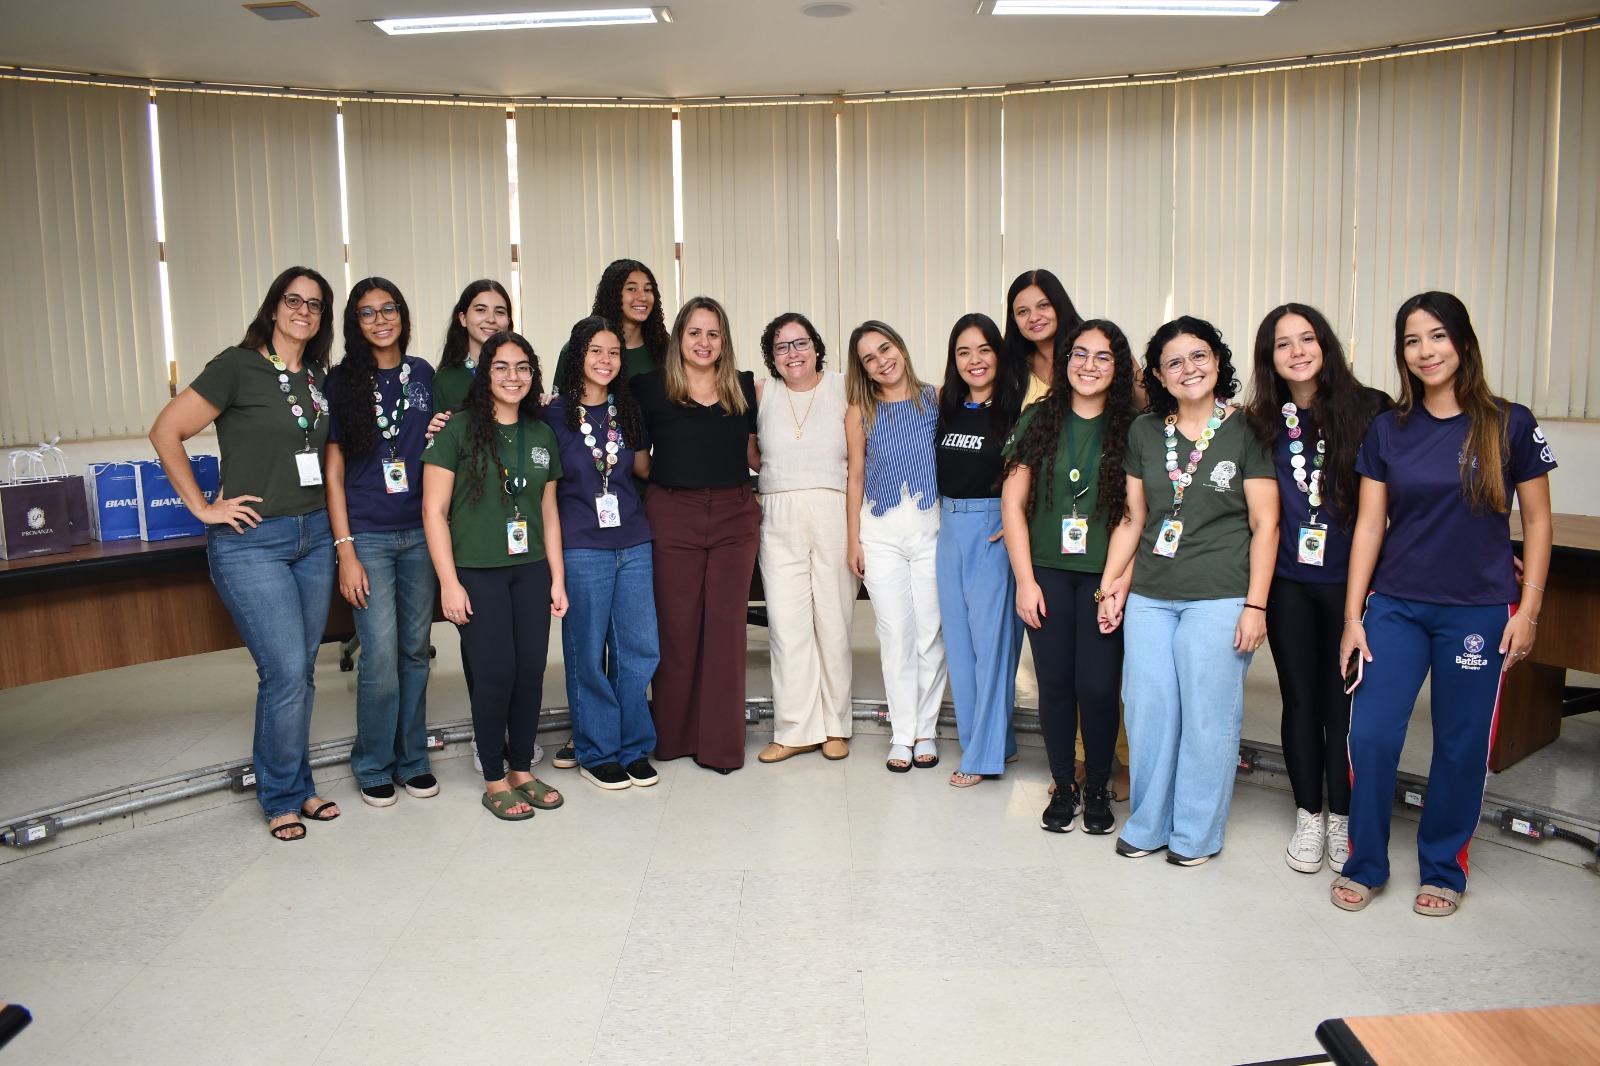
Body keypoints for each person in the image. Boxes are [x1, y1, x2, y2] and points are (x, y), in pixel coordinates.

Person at [1332, 291, 1554, 916]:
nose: (1425, 351)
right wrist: (1353, 618)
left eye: (1437, 336)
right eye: (1411, 340)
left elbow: (1538, 521)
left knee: (1461, 744)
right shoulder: (1388, 429)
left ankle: (1443, 868)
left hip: (1477, 612)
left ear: (1462, 342)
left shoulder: (1510, 423)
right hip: (1396, 607)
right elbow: (1370, 526)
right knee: (1371, 736)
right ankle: (1366, 863)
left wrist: (1529, 611)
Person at [148, 266, 342, 842]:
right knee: (283, 670)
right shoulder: (236, 366)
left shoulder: (316, 376)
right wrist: (203, 507)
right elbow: (166, 430)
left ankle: (300, 786)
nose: (303, 310)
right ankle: (279, 796)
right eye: (293, 300)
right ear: (273, 306)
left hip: (314, 537)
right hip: (253, 542)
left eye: (314, 303)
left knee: (301, 671)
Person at [1097, 316, 1278, 866]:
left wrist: (1256, 605)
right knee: (1148, 710)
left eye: (1199, 355)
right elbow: (1134, 517)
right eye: (1173, 362)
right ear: (1158, 375)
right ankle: (1149, 823)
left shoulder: (1248, 429)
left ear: (1217, 361)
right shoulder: (1146, 431)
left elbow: (1265, 523)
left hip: (1220, 595)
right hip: (1152, 595)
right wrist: (1110, 584)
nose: (1188, 368)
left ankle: (1195, 834)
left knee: (1207, 717)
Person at [1243, 304, 1389, 873]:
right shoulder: (1259, 422)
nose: (1297, 351)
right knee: (1300, 699)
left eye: (1307, 339)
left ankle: (1342, 817)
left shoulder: (1372, 409)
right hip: (1289, 585)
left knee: (1343, 704)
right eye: (1283, 344)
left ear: (1326, 345)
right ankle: (1308, 815)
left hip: (1353, 585)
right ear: (1270, 358)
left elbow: (1410, 497)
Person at [421, 331, 568, 820]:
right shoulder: (457, 429)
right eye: (501, 366)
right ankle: (493, 777)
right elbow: (433, 511)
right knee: (495, 674)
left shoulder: (541, 433)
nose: (513, 376)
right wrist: (449, 583)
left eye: (523, 367)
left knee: (530, 671)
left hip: (530, 570)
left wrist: (557, 577)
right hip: (477, 571)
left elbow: (549, 513)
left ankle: (522, 769)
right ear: (485, 374)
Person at [1002, 319, 1139, 832]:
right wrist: (1025, 580)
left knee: (1099, 687)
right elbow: (1012, 504)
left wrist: (1114, 583)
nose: (1088, 365)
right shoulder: (1038, 418)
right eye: (1079, 353)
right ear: (1065, 362)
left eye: (1103, 356)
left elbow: (1135, 513)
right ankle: (1065, 785)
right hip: (1047, 575)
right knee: (1056, 685)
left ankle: (1099, 785)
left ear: (1118, 367)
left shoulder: (1135, 427)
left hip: (1104, 575)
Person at [547, 259, 669, 771]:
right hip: (582, 547)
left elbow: (642, 468)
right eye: (595, 351)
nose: (605, 360)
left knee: (640, 649)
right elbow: (545, 495)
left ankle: (635, 745)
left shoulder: (628, 410)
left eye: (614, 352)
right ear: (578, 355)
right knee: (587, 654)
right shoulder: (552, 415)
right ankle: (598, 751)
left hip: (634, 542)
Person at [633, 296, 762, 773]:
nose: (703, 342)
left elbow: (753, 453)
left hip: (734, 515)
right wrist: (678, 483)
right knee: (677, 628)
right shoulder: (649, 388)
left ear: (723, 340)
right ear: (678, 338)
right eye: (694, 333)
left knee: (726, 630)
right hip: (672, 513)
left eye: (713, 333)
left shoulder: (742, 387)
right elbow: (638, 460)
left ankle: (721, 746)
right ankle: (674, 738)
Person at [325, 277, 440, 808]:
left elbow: (440, 440)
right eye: (368, 312)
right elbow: (333, 474)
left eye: (388, 308)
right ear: (356, 322)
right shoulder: (343, 380)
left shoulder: (423, 374)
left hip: (420, 533)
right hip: (368, 535)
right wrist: (345, 549)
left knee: (415, 650)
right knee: (379, 656)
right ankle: (373, 763)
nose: (380, 319)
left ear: (402, 314)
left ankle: (412, 759)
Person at [753, 312, 855, 764]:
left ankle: (835, 726)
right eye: (781, 347)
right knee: (786, 625)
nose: (792, 353)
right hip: (777, 513)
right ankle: (795, 729)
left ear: (816, 346)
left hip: (834, 509)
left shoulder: (845, 387)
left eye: (800, 343)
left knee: (833, 622)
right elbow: (752, 450)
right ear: (772, 357)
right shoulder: (762, 392)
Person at [846, 320, 947, 773]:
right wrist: (852, 539)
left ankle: (927, 730)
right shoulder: (859, 411)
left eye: (885, 349)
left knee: (930, 634)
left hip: (932, 533)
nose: (881, 361)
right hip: (880, 536)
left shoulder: (936, 399)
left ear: (901, 349)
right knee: (894, 634)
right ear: (863, 369)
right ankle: (902, 734)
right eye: (869, 358)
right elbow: (855, 477)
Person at [935, 313, 1027, 787]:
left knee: (992, 649)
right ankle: (992, 740)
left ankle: (982, 756)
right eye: (963, 351)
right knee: (960, 647)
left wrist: (1017, 521)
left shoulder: (1017, 410)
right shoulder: (946, 405)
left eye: (984, 349)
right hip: (948, 528)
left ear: (999, 353)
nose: (974, 360)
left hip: (993, 528)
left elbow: (1038, 472)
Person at [548, 259, 670, 386]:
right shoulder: (578, 348)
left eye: (648, 289)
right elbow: (561, 396)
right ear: (612, 294)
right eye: (632, 289)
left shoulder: (667, 350)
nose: (643, 297)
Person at [1004, 269, 1084, 410]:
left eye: (1043, 305)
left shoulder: (1092, 352)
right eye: (1023, 311)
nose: (1034, 317)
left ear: (1059, 305)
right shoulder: (1015, 363)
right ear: (1014, 319)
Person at [432, 280, 513, 414]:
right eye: (481, 310)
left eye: (499, 312)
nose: (491, 319)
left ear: (508, 321)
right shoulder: (444, 381)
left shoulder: (521, 374)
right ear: (463, 318)